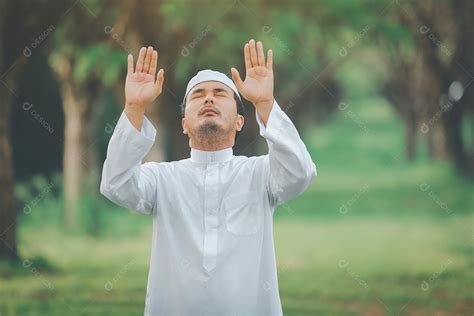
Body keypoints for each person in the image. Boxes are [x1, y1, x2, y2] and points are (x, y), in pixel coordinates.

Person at [100, 39, 317, 315]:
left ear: (240, 122)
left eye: (220, 93)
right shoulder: (162, 179)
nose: (209, 98)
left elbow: (300, 173)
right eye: (198, 94)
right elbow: (115, 185)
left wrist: (265, 103)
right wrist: (133, 108)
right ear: (184, 125)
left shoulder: (260, 174)